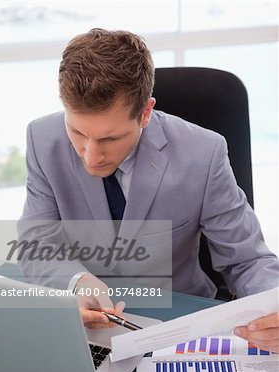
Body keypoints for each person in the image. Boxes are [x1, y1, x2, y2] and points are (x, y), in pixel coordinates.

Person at [19, 28, 279, 352]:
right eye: (78, 132)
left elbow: (247, 260)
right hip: (88, 327)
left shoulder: (204, 153)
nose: (91, 155)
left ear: (145, 113)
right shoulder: (42, 139)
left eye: (110, 138)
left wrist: (274, 303)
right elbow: (36, 242)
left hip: (181, 324)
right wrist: (76, 282)